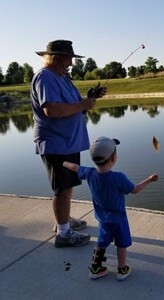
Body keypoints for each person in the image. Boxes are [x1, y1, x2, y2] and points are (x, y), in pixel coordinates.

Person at [30, 40, 107, 248]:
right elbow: (51, 110)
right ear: (57, 57)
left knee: (68, 185)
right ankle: (63, 234)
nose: (72, 63)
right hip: (55, 143)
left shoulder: (62, 77)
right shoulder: (45, 77)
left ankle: (63, 219)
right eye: (69, 58)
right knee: (61, 189)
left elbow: (73, 106)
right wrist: (82, 104)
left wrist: (89, 98)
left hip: (68, 142)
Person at [63, 136, 159, 280]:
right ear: (114, 158)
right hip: (119, 220)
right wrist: (150, 179)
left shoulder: (89, 174)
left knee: (101, 243)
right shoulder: (118, 177)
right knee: (121, 244)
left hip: (103, 220)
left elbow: (75, 167)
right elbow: (135, 190)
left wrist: (63, 163)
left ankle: (95, 269)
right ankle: (121, 270)